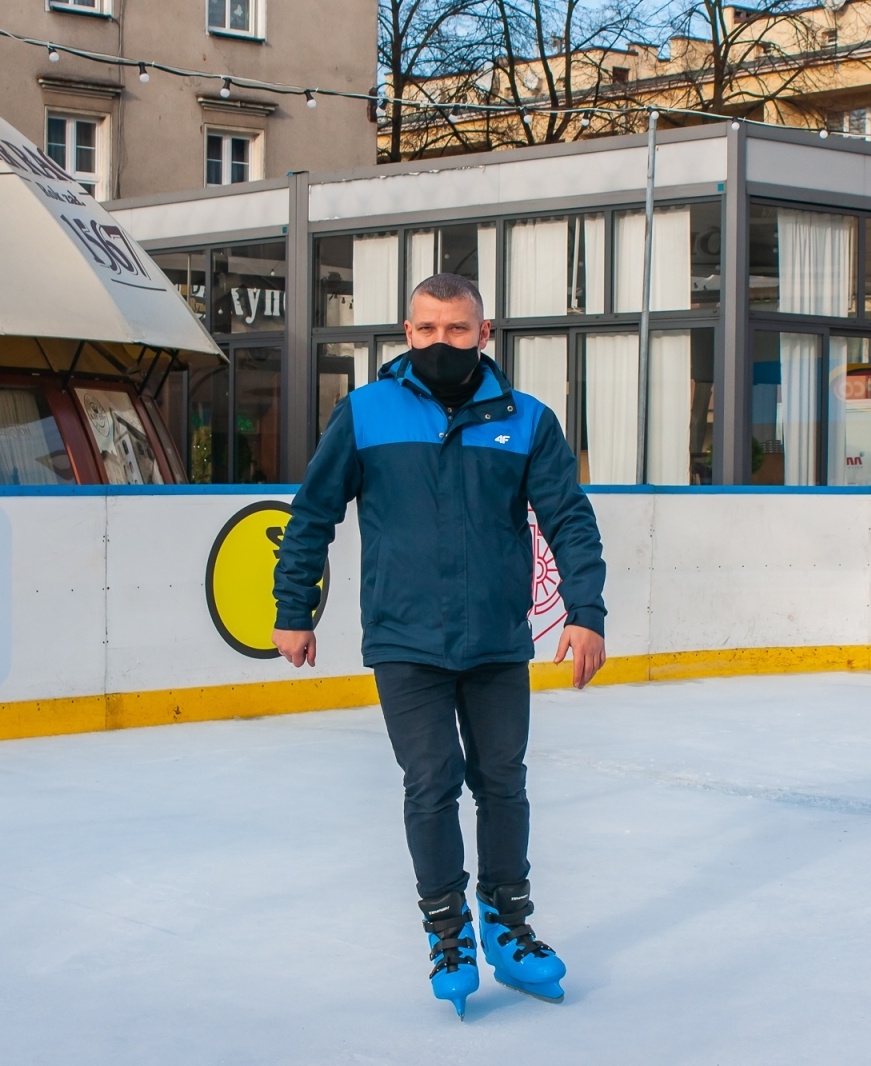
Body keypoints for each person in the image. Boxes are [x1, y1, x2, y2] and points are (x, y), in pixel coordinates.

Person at [271, 272, 607, 1018]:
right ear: (406, 332)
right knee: (431, 783)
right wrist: (295, 609)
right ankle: (448, 930)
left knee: (503, 782)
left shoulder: (526, 421)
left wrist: (586, 610)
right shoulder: (364, 413)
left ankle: (509, 925)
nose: (440, 343)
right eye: (426, 330)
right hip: (406, 639)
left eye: (456, 330)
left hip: (495, 640)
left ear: (485, 335)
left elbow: (569, 520)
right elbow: (312, 516)